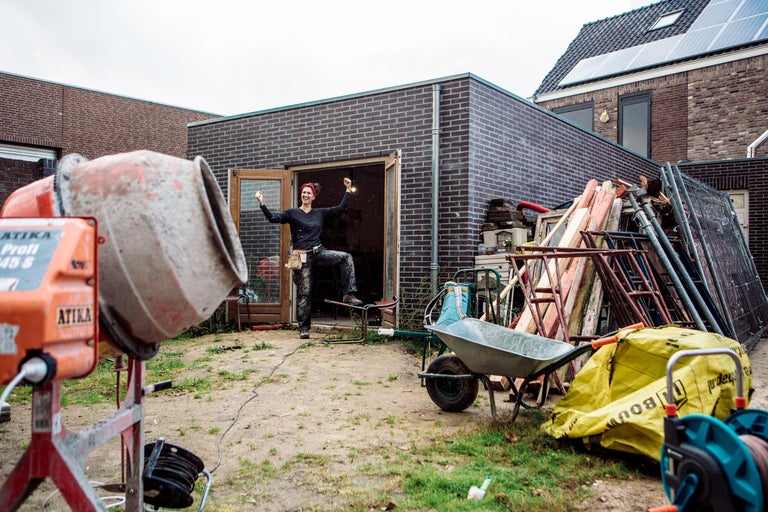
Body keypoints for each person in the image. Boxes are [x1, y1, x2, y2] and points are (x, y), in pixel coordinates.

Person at [255, 178, 364, 339]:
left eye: (309, 193)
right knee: (304, 292)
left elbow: (340, 208)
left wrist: (348, 190)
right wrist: (261, 203)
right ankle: (304, 328)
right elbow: (273, 218)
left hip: (319, 252)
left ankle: (349, 294)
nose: (305, 195)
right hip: (301, 256)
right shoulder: (292, 213)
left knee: (345, 257)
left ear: (313, 197)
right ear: (301, 195)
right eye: (304, 192)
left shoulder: (320, 212)